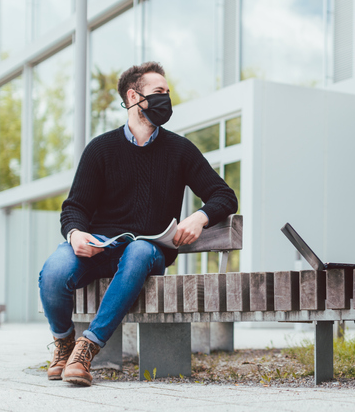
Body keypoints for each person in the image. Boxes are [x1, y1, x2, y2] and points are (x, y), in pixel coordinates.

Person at [39, 62, 237, 387]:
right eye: (159, 92)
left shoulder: (180, 150)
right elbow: (74, 208)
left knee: (140, 250)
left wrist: (200, 217)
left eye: (168, 93)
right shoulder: (101, 149)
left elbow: (224, 195)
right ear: (133, 96)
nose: (166, 99)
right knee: (55, 271)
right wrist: (75, 234)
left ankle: (86, 349)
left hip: (148, 252)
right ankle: (64, 344)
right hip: (101, 246)